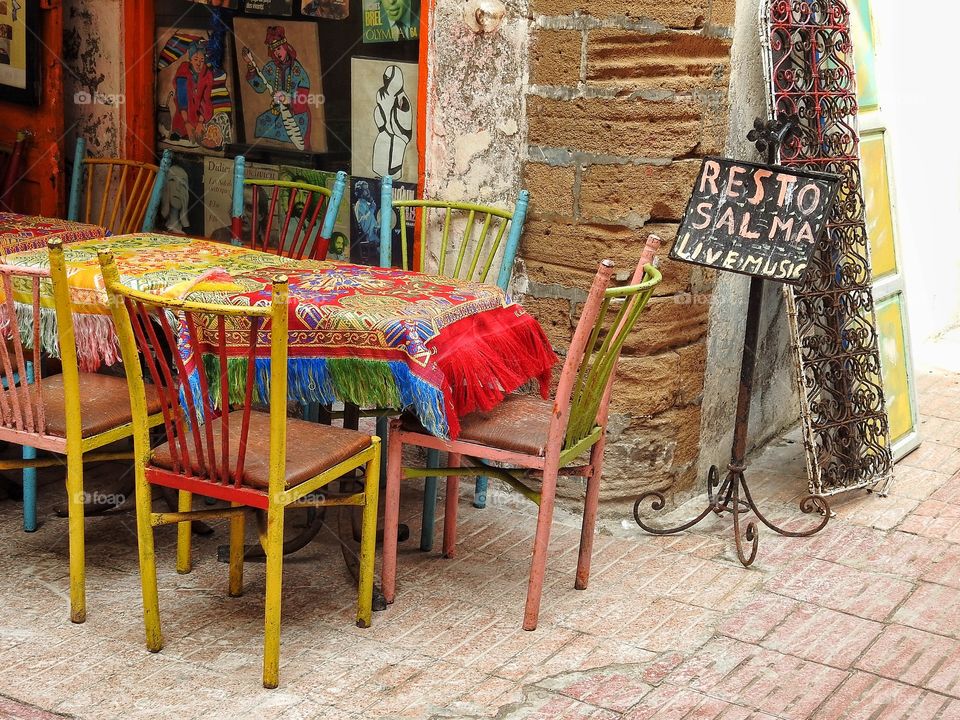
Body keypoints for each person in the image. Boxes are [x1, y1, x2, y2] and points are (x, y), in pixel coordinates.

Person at [243, 26, 312, 150]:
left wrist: (288, 100)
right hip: (277, 112)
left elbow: (303, 96)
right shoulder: (270, 68)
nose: (277, 53)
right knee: (260, 123)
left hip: (296, 114)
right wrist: (251, 66)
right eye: (274, 50)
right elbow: (260, 87)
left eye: (279, 49)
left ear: (285, 47)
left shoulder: (297, 70)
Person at [170, 41, 214, 145]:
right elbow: (182, 99)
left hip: (200, 118)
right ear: (190, 60)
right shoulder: (183, 71)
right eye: (196, 59)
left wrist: (200, 123)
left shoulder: (207, 75)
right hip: (182, 118)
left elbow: (206, 100)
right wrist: (186, 123)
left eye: (202, 60)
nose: (199, 63)